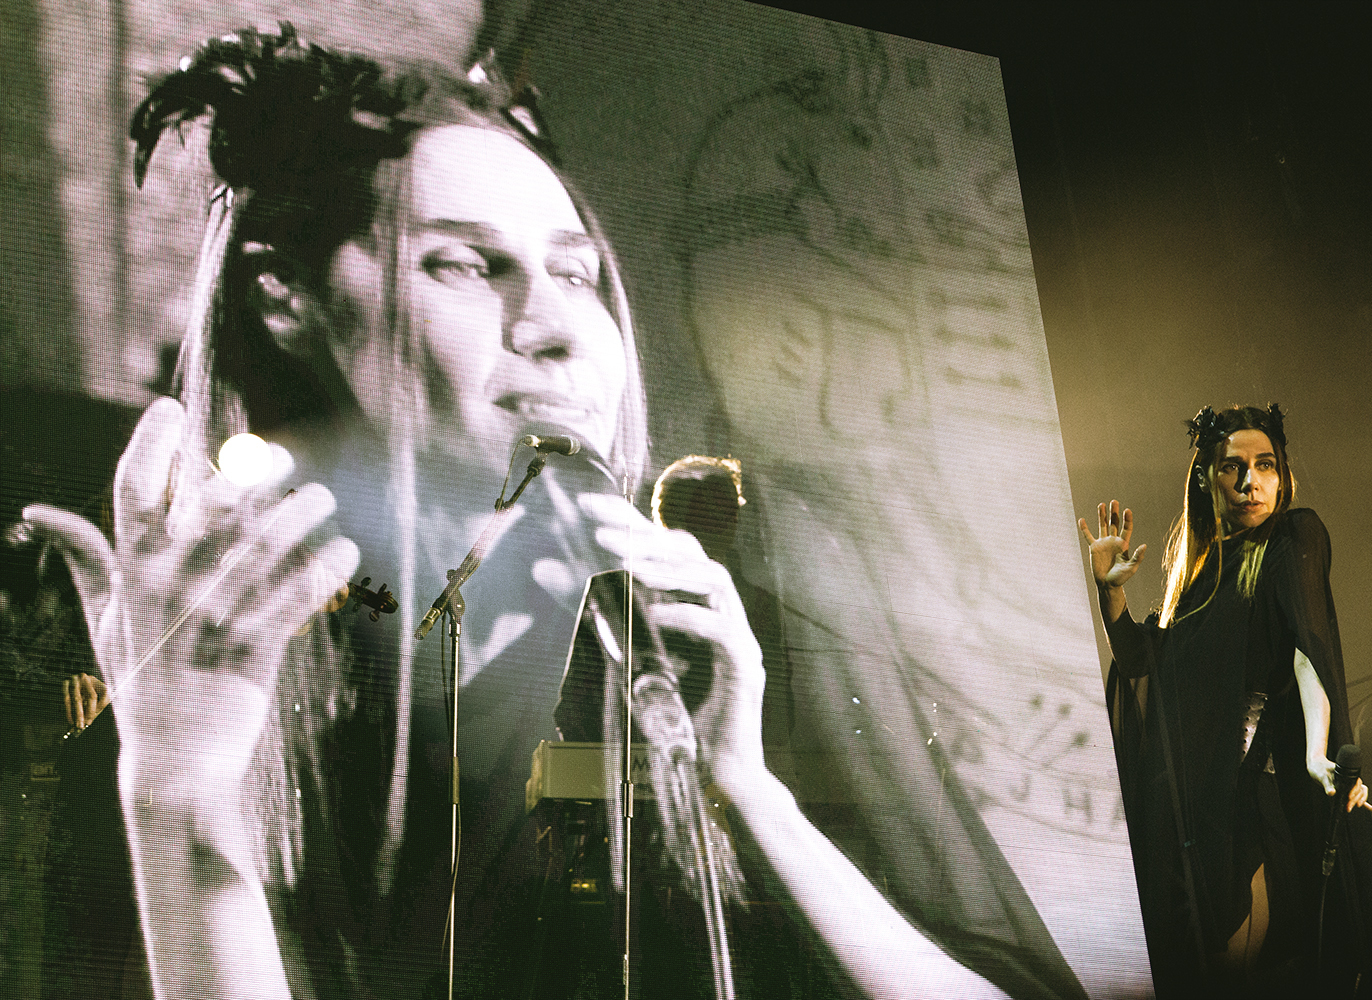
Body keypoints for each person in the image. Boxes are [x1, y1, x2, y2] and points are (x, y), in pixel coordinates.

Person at [20, 25, 1050, 999]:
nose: (558, 327)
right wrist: (179, 802)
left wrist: (751, 796)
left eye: (575, 271)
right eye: (464, 264)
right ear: (286, 300)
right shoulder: (149, 667)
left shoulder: (714, 635)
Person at [1079, 404, 1372, 997]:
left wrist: (1315, 753)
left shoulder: (1293, 538)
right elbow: (1144, 664)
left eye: (1265, 465)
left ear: (1283, 476)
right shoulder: (1199, 576)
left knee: (1225, 969)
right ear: (1206, 479)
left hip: (1244, 795)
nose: (1250, 481)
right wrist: (1110, 595)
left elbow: (1307, 646)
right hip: (1187, 800)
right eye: (1233, 467)